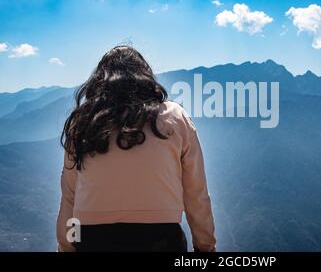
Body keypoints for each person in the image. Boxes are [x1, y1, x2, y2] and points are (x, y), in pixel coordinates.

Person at [56, 46, 216, 252]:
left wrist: (66, 246)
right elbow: (196, 192)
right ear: (145, 77)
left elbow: (70, 196)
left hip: (92, 238)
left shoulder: (82, 122)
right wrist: (205, 246)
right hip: (161, 238)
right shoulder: (175, 117)